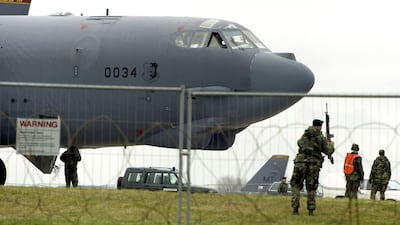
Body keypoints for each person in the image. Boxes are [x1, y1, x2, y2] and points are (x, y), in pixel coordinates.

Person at [290, 119, 334, 216]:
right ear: (320, 126)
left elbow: (299, 143)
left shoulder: (305, 135)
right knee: (311, 188)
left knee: (296, 186)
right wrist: (331, 144)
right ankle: (310, 210)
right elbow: (328, 151)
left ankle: (295, 209)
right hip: (313, 164)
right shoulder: (320, 137)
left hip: (300, 162)